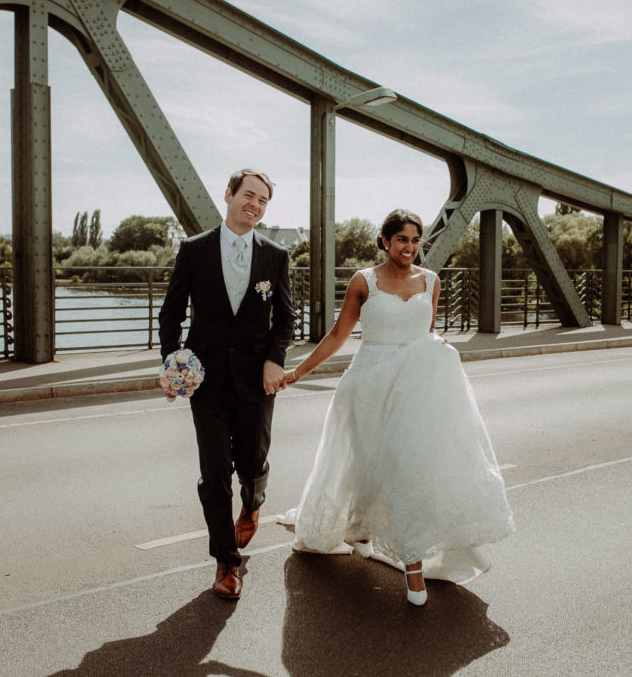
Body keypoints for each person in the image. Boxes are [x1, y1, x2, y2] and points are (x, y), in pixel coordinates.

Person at [279, 209, 515, 606]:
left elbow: (427, 333)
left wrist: (438, 346)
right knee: (369, 464)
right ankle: (362, 530)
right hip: (369, 386)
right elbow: (338, 335)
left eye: (415, 240)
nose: (409, 247)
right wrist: (297, 372)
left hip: (416, 389)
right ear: (385, 241)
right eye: (402, 239)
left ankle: (414, 565)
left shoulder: (431, 281)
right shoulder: (363, 281)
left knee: (409, 468)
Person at [158, 169, 294, 600]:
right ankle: (226, 562)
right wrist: (173, 365)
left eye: (263, 200)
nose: (255, 204)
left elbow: (286, 320)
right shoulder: (194, 250)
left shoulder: (276, 255)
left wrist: (274, 361)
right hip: (207, 380)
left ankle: (252, 503)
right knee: (214, 472)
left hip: (257, 379)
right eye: (248, 195)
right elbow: (171, 313)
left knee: (252, 461)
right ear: (229, 195)